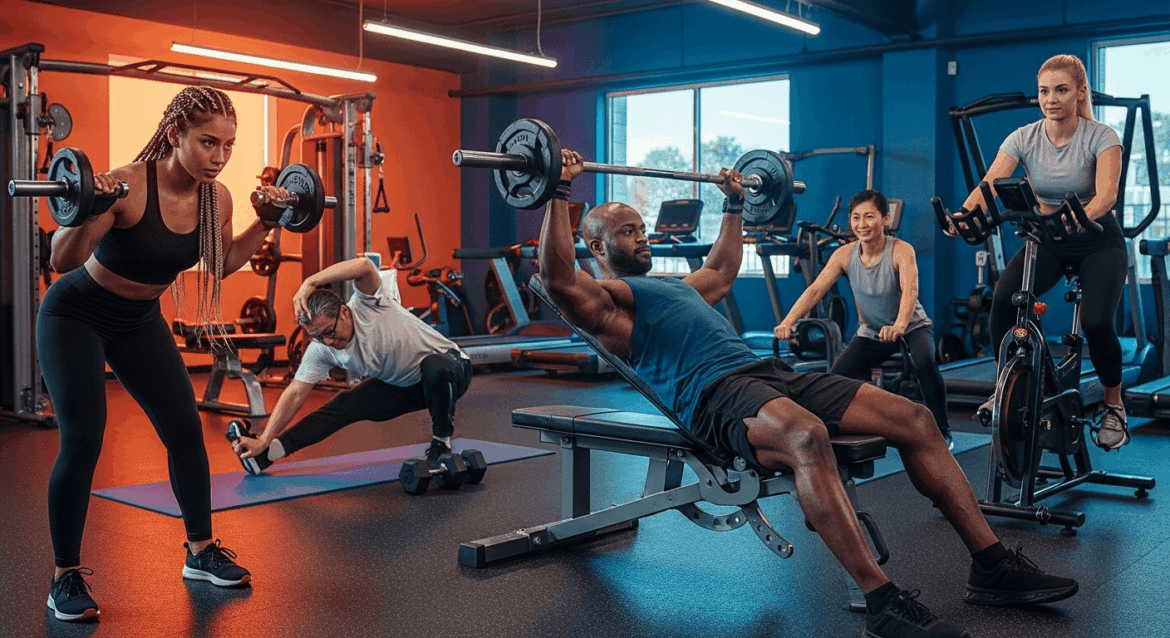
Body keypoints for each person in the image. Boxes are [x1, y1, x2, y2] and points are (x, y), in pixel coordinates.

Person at [541, 148, 1078, 638]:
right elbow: (560, 280)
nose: (644, 237)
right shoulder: (606, 304)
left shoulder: (674, 287)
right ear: (597, 246)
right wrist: (558, 192)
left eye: (642, 228)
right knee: (806, 435)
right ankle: (882, 604)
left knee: (915, 418)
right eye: (630, 232)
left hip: (766, 372)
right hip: (713, 397)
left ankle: (991, 565)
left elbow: (723, 271)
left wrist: (733, 204)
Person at [39, 86, 278, 622]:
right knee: (83, 438)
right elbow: (61, 258)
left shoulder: (217, 198)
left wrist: (265, 221)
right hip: (77, 313)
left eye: (229, 146)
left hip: (139, 320)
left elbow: (223, 262)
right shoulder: (125, 186)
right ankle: (64, 578)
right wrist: (90, 208)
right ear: (175, 135)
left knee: (185, 429)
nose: (219, 157)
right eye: (208, 142)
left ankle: (200, 551)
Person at [951, 54, 1128, 451]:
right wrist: (964, 214)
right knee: (1003, 301)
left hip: (1098, 238)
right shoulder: (1023, 137)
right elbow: (990, 183)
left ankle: (1115, 406)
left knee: (1098, 322)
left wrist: (1076, 217)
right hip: (1047, 236)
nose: (1051, 98)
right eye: (1044, 91)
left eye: (1061, 90)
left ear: (1080, 92)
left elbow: (1106, 196)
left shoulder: (1101, 135)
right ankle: (1005, 388)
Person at [227, 257, 472, 478]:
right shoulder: (322, 347)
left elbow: (364, 266)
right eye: (318, 337)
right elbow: (295, 393)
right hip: (404, 387)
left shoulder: (370, 304)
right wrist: (265, 437)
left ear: (344, 312)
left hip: (452, 370)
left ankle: (441, 443)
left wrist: (311, 282)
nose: (329, 342)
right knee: (343, 405)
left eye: (329, 333)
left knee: (434, 367)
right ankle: (266, 455)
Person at [776, 189, 954, 450]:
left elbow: (910, 290)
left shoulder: (901, 250)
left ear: (885, 219)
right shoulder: (844, 254)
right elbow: (815, 290)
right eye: (856, 217)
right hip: (872, 331)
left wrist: (900, 326)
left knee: (925, 362)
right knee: (835, 379)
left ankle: (942, 430)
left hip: (911, 326)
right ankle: (835, 429)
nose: (862, 224)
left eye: (869, 216)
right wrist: (788, 321)